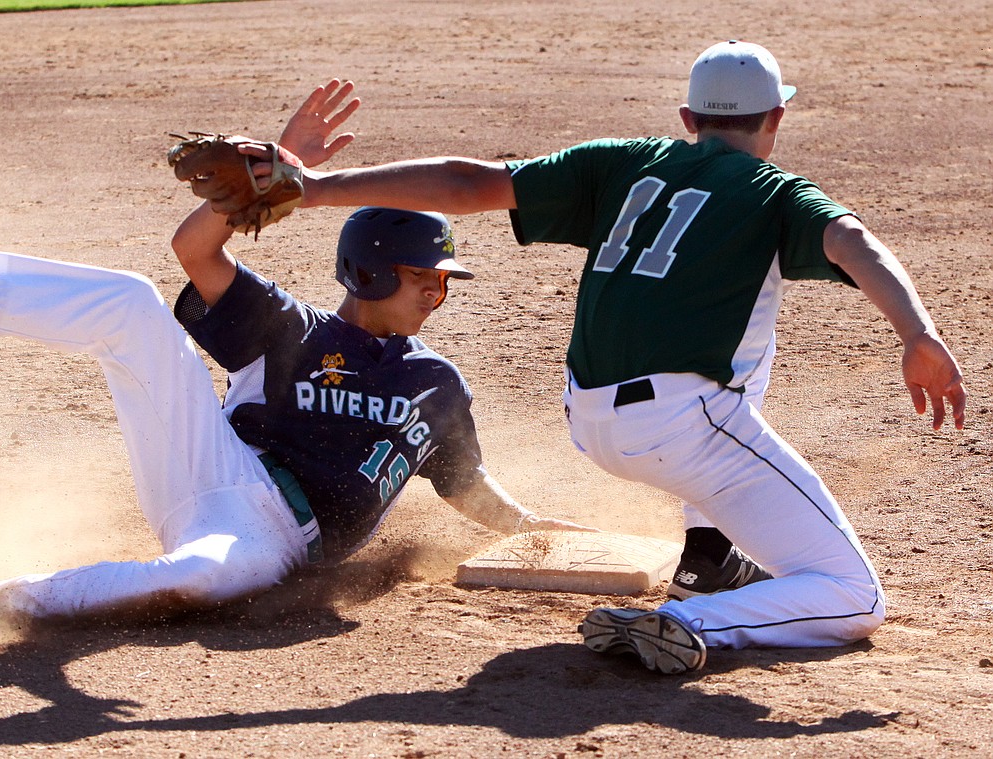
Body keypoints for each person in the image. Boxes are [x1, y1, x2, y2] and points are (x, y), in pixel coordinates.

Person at [230, 42, 968, 673]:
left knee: (746, 324)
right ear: (775, 120)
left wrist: (318, 186)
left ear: (688, 120)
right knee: (853, 594)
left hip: (590, 423)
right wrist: (916, 333)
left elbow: (465, 182)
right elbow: (855, 244)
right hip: (689, 430)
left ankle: (707, 559)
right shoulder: (777, 191)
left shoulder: (621, 163)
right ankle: (697, 623)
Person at [0, 82, 591, 634]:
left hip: (270, 542)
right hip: (217, 468)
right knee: (130, 303)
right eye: (424, 276)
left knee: (209, 575)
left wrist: (539, 531)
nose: (438, 292)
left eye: (443, 280)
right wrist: (282, 166)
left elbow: (469, 487)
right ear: (370, 272)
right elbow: (193, 250)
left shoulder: (436, 384)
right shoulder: (291, 328)